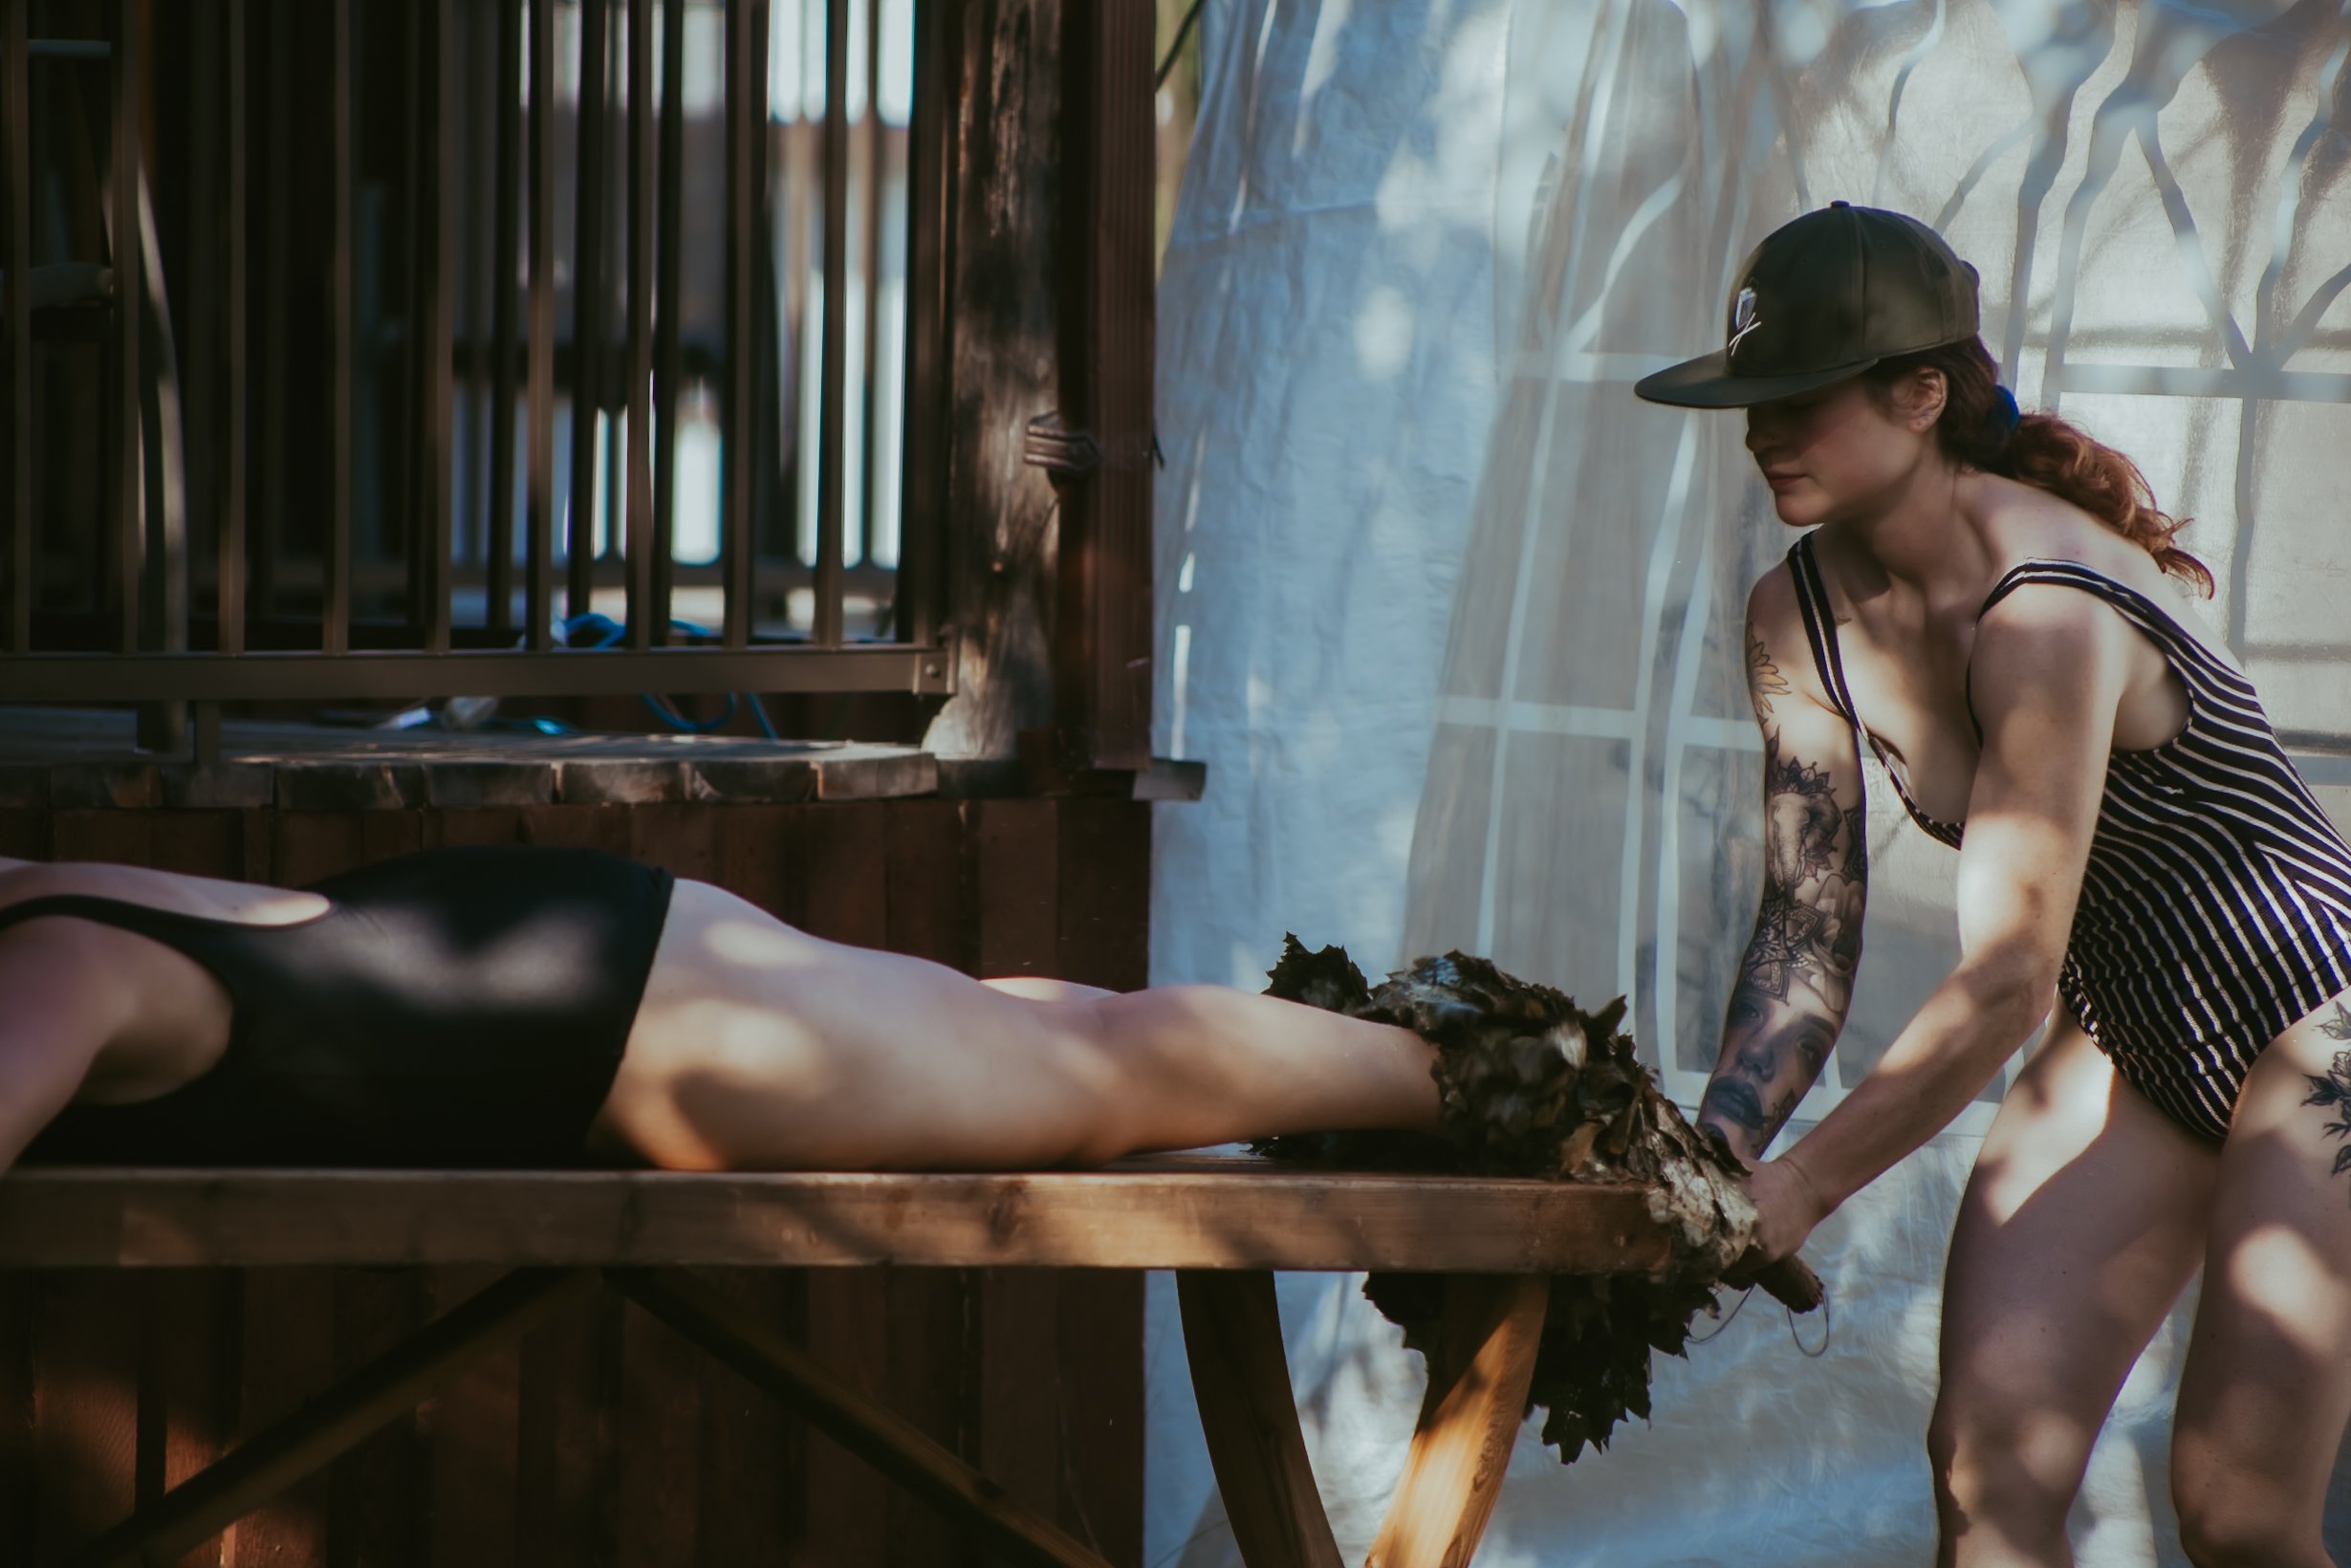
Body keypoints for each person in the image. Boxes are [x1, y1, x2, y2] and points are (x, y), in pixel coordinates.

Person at [1637, 201, 2351, 1568]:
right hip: (2138, 1033)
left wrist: (1804, 1192)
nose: (1759, 430)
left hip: (2323, 1022)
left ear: (1921, 393)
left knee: (2240, 1511)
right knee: (1984, 1476)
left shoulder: (2046, 606)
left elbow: (2009, 975)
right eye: (1748, 399)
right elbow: (1804, 930)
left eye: (1798, 395)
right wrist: (1719, 1155)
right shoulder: (1794, 617)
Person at [0, 843, 1444, 1175]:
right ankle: (1452, 1062)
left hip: (616, 1021)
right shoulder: (39, 903)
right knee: (1049, 1038)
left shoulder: (50, 961)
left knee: (1096, 1078)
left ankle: (1506, 1082)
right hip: (575, 971)